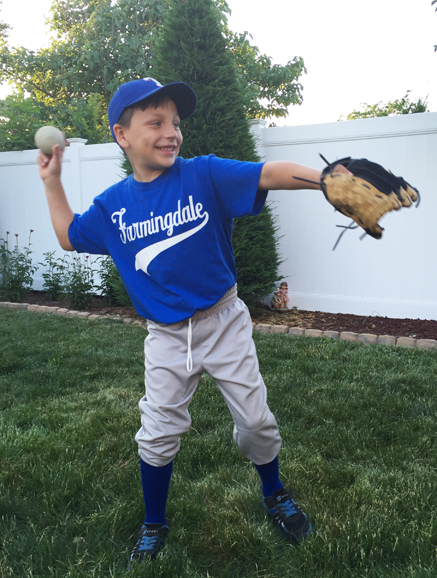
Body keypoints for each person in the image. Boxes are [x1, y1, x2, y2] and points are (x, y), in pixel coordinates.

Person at [38, 77, 350, 567]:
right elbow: (69, 236)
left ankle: (274, 493)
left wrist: (330, 180)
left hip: (223, 320)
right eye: (156, 122)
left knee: (256, 423)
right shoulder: (113, 207)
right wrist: (52, 181)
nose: (171, 132)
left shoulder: (203, 175)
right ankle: (154, 522)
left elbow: (271, 171)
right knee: (158, 432)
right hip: (165, 336)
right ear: (122, 135)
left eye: (176, 123)